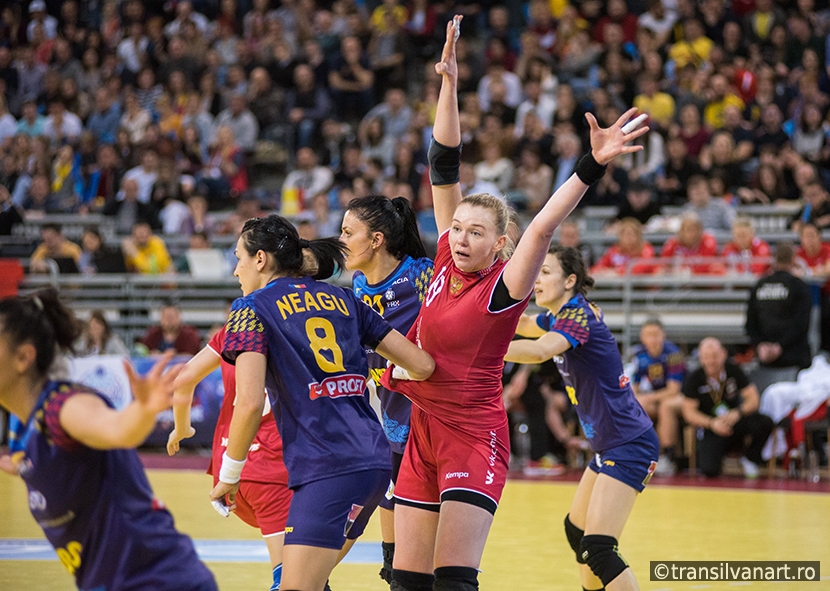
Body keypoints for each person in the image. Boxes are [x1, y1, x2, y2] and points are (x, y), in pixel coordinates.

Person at [380, 17, 649, 591]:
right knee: (405, 582)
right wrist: (449, 83)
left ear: (499, 244)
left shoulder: (503, 286)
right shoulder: (446, 263)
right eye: (457, 228)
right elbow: (444, 161)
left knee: (452, 581)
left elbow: (546, 224)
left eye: (476, 232)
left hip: (474, 435)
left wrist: (592, 164)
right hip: (423, 429)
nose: (460, 237)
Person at [209, 215, 435, 591]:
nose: (236, 270)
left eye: (239, 258)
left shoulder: (250, 309)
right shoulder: (346, 298)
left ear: (261, 259)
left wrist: (228, 476)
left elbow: (248, 404)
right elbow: (423, 365)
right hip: (375, 465)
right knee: (310, 581)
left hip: (326, 467)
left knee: (293, 585)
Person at [0, 288, 217, 591]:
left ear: (24, 357)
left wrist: (143, 410)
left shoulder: (64, 407)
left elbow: (117, 429)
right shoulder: (30, 429)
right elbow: (36, 464)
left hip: (159, 580)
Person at [505, 246, 659, 591]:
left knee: (599, 548)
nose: (537, 280)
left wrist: (477, 347)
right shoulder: (564, 314)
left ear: (570, 280)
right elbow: (528, 324)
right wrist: (480, 316)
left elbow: (540, 349)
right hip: (611, 444)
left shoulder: (578, 317)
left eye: (546, 272)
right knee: (578, 532)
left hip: (628, 443)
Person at [339, 194, 435, 584]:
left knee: (428, 560)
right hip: (391, 420)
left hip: (432, 420)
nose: (340, 240)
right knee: (394, 561)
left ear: (376, 239)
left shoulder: (419, 275)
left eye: (348, 232)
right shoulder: (358, 284)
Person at [167, 322, 291, 591]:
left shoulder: (236, 327)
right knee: (292, 578)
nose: (235, 275)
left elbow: (184, 378)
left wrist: (181, 427)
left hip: (231, 467)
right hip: (273, 468)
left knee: (305, 570)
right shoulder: (290, 322)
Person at [682, 337, 774, 478]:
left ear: (723, 354)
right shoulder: (695, 378)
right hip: (712, 427)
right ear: (700, 358)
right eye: (706, 357)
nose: (711, 361)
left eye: (715, 356)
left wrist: (737, 413)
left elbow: (754, 399)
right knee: (709, 469)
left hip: (735, 421)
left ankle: (750, 458)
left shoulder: (734, 371)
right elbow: (689, 412)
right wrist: (711, 423)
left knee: (764, 422)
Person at [629, 318, 686, 476]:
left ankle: (668, 457)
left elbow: (674, 389)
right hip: (656, 396)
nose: (652, 339)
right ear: (642, 337)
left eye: (656, 334)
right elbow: (635, 387)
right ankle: (640, 454)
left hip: (680, 397)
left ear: (663, 335)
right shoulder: (639, 354)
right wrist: (639, 398)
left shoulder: (673, 354)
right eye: (648, 334)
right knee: (637, 405)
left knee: (665, 406)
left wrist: (648, 398)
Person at [745, 243, 813, 371]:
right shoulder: (799, 286)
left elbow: (750, 323)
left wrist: (761, 345)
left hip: (765, 359)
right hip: (794, 358)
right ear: (794, 259)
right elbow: (802, 324)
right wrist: (779, 346)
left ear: (773, 260)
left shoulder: (759, 285)